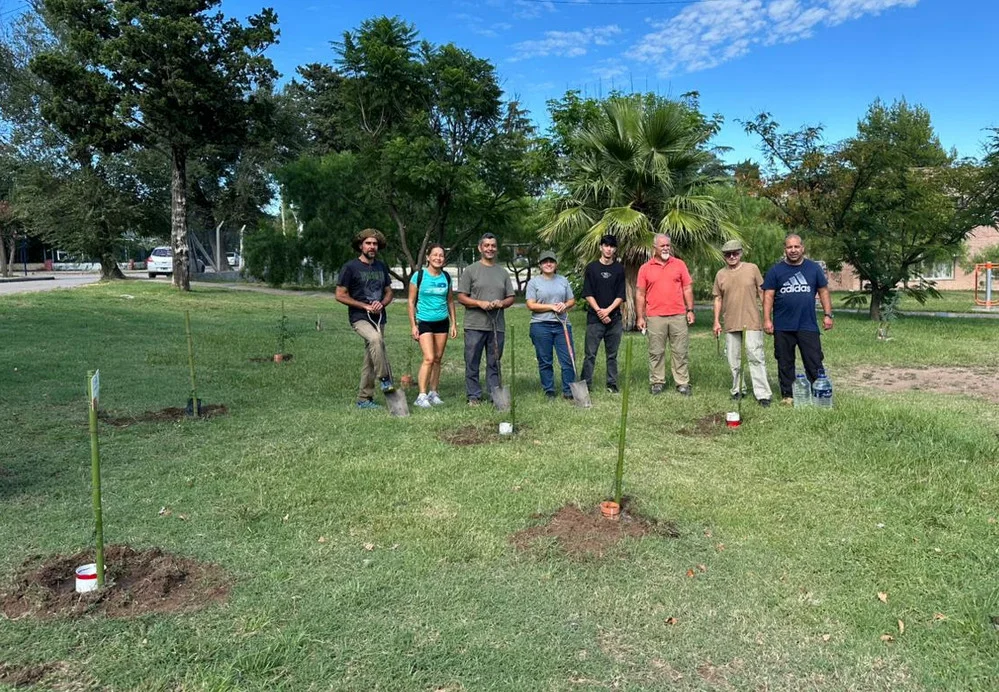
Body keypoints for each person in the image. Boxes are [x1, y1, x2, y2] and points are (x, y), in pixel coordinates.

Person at [762, 233, 834, 404]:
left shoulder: (813, 269)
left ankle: (817, 392)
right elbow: (768, 296)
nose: (793, 250)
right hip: (783, 325)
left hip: (807, 324)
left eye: (796, 247)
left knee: (814, 360)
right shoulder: (775, 270)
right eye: (789, 247)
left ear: (802, 248)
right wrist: (767, 319)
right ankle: (788, 395)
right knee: (785, 362)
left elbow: (823, 291)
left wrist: (828, 315)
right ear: (785, 249)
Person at [335, 228, 395, 410]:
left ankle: (364, 399)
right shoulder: (350, 267)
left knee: (371, 357)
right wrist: (364, 306)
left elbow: (389, 292)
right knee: (376, 340)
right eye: (368, 243)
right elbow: (340, 295)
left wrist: (381, 304)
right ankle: (385, 379)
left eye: (375, 244)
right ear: (361, 246)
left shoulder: (381, 266)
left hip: (379, 317)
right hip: (359, 317)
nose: (371, 247)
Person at [456, 233, 515, 406]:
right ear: (480, 248)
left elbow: (511, 297)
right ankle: (473, 395)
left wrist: (501, 303)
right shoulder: (470, 270)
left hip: (497, 326)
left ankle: (495, 394)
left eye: (493, 246)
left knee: (494, 361)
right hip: (474, 325)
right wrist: (479, 303)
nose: (490, 248)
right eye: (487, 245)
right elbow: (461, 297)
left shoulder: (502, 272)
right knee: (472, 361)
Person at [712, 239, 773, 407]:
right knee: (734, 359)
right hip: (731, 323)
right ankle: (738, 389)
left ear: (740, 253)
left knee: (756, 357)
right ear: (724, 256)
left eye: (735, 253)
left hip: (752, 321)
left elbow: (762, 292)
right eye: (728, 254)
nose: (732, 256)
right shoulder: (720, 274)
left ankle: (763, 394)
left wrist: (767, 316)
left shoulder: (752, 269)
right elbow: (718, 298)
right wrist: (716, 321)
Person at [635, 233, 696, 396]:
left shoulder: (679, 265)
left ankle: (682, 383)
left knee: (680, 351)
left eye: (668, 245)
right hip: (655, 316)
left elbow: (687, 288)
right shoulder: (645, 268)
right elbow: (640, 294)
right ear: (654, 248)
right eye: (662, 246)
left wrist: (690, 310)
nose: (666, 248)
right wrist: (640, 317)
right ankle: (657, 382)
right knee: (656, 351)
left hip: (678, 315)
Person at [407, 244, 458, 408]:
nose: (438, 258)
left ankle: (433, 392)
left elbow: (450, 301)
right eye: (435, 255)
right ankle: (421, 396)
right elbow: (410, 302)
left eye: (441, 256)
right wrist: (413, 325)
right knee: (429, 358)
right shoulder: (419, 276)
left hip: (442, 322)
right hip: (424, 322)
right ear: (428, 257)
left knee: (437, 359)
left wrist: (453, 324)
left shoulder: (446, 278)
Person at [525, 250, 577, 399]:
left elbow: (572, 300)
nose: (548, 264)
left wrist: (564, 305)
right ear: (540, 265)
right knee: (545, 359)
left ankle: (568, 390)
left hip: (562, 325)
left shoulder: (563, 280)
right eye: (545, 262)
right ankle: (549, 390)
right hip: (540, 325)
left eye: (551, 261)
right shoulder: (534, 282)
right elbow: (530, 305)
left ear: (556, 264)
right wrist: (551, 307)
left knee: (567, 358)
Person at [580, 234, 626, 393]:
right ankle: (585, 384)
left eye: (612, 246)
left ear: (615, 249)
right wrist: (599, 311)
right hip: (594, 319)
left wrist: (608, 311)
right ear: (600, 247)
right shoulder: (592, 268)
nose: (609, 249)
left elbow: (621, 295)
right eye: (606, 246)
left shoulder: (619, 269)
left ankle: (611, 384)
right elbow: (587, 293)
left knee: (612, 355)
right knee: (590, 354)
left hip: (614, 319)